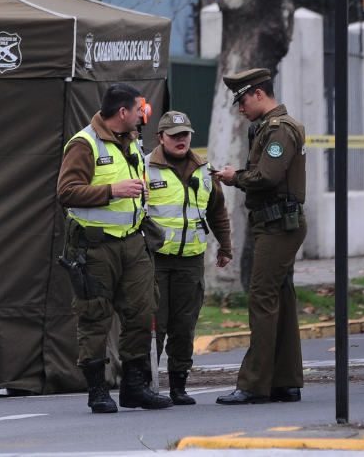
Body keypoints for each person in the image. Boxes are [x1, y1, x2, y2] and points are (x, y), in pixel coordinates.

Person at [58, 83, 173, 413]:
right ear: (122, 112)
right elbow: (66, 192)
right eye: (139, 109)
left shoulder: (132, 141)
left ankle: (135, 387)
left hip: (133, 242)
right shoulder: (84, 144)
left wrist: (140, 194)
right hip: (95, 248)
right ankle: (97, 391)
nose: (143, 114)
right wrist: (113, 190)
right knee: (94, 316)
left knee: (141, 310)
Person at [211, 69, 307, 405]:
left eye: (242, 100)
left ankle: (254, 384)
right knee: (279, 297)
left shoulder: (280, 129)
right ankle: (286, 381)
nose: (239, 108)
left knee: (262, 297)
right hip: (276, 221)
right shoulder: (269, 128)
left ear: (259, 94)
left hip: (278, 224)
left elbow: (266, 176)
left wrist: (233, 177)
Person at [146, 111, 233, 406]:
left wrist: (225, 248)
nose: (181, 140)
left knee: (185, 325)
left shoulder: (205, 170)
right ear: (161, 138)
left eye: (185, 134)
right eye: (174, 135)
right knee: (155, 324)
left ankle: (179, 386)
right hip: (155, 260)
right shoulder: (145, 168)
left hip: (191, 261)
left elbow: (217, 211)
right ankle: (148, 384)